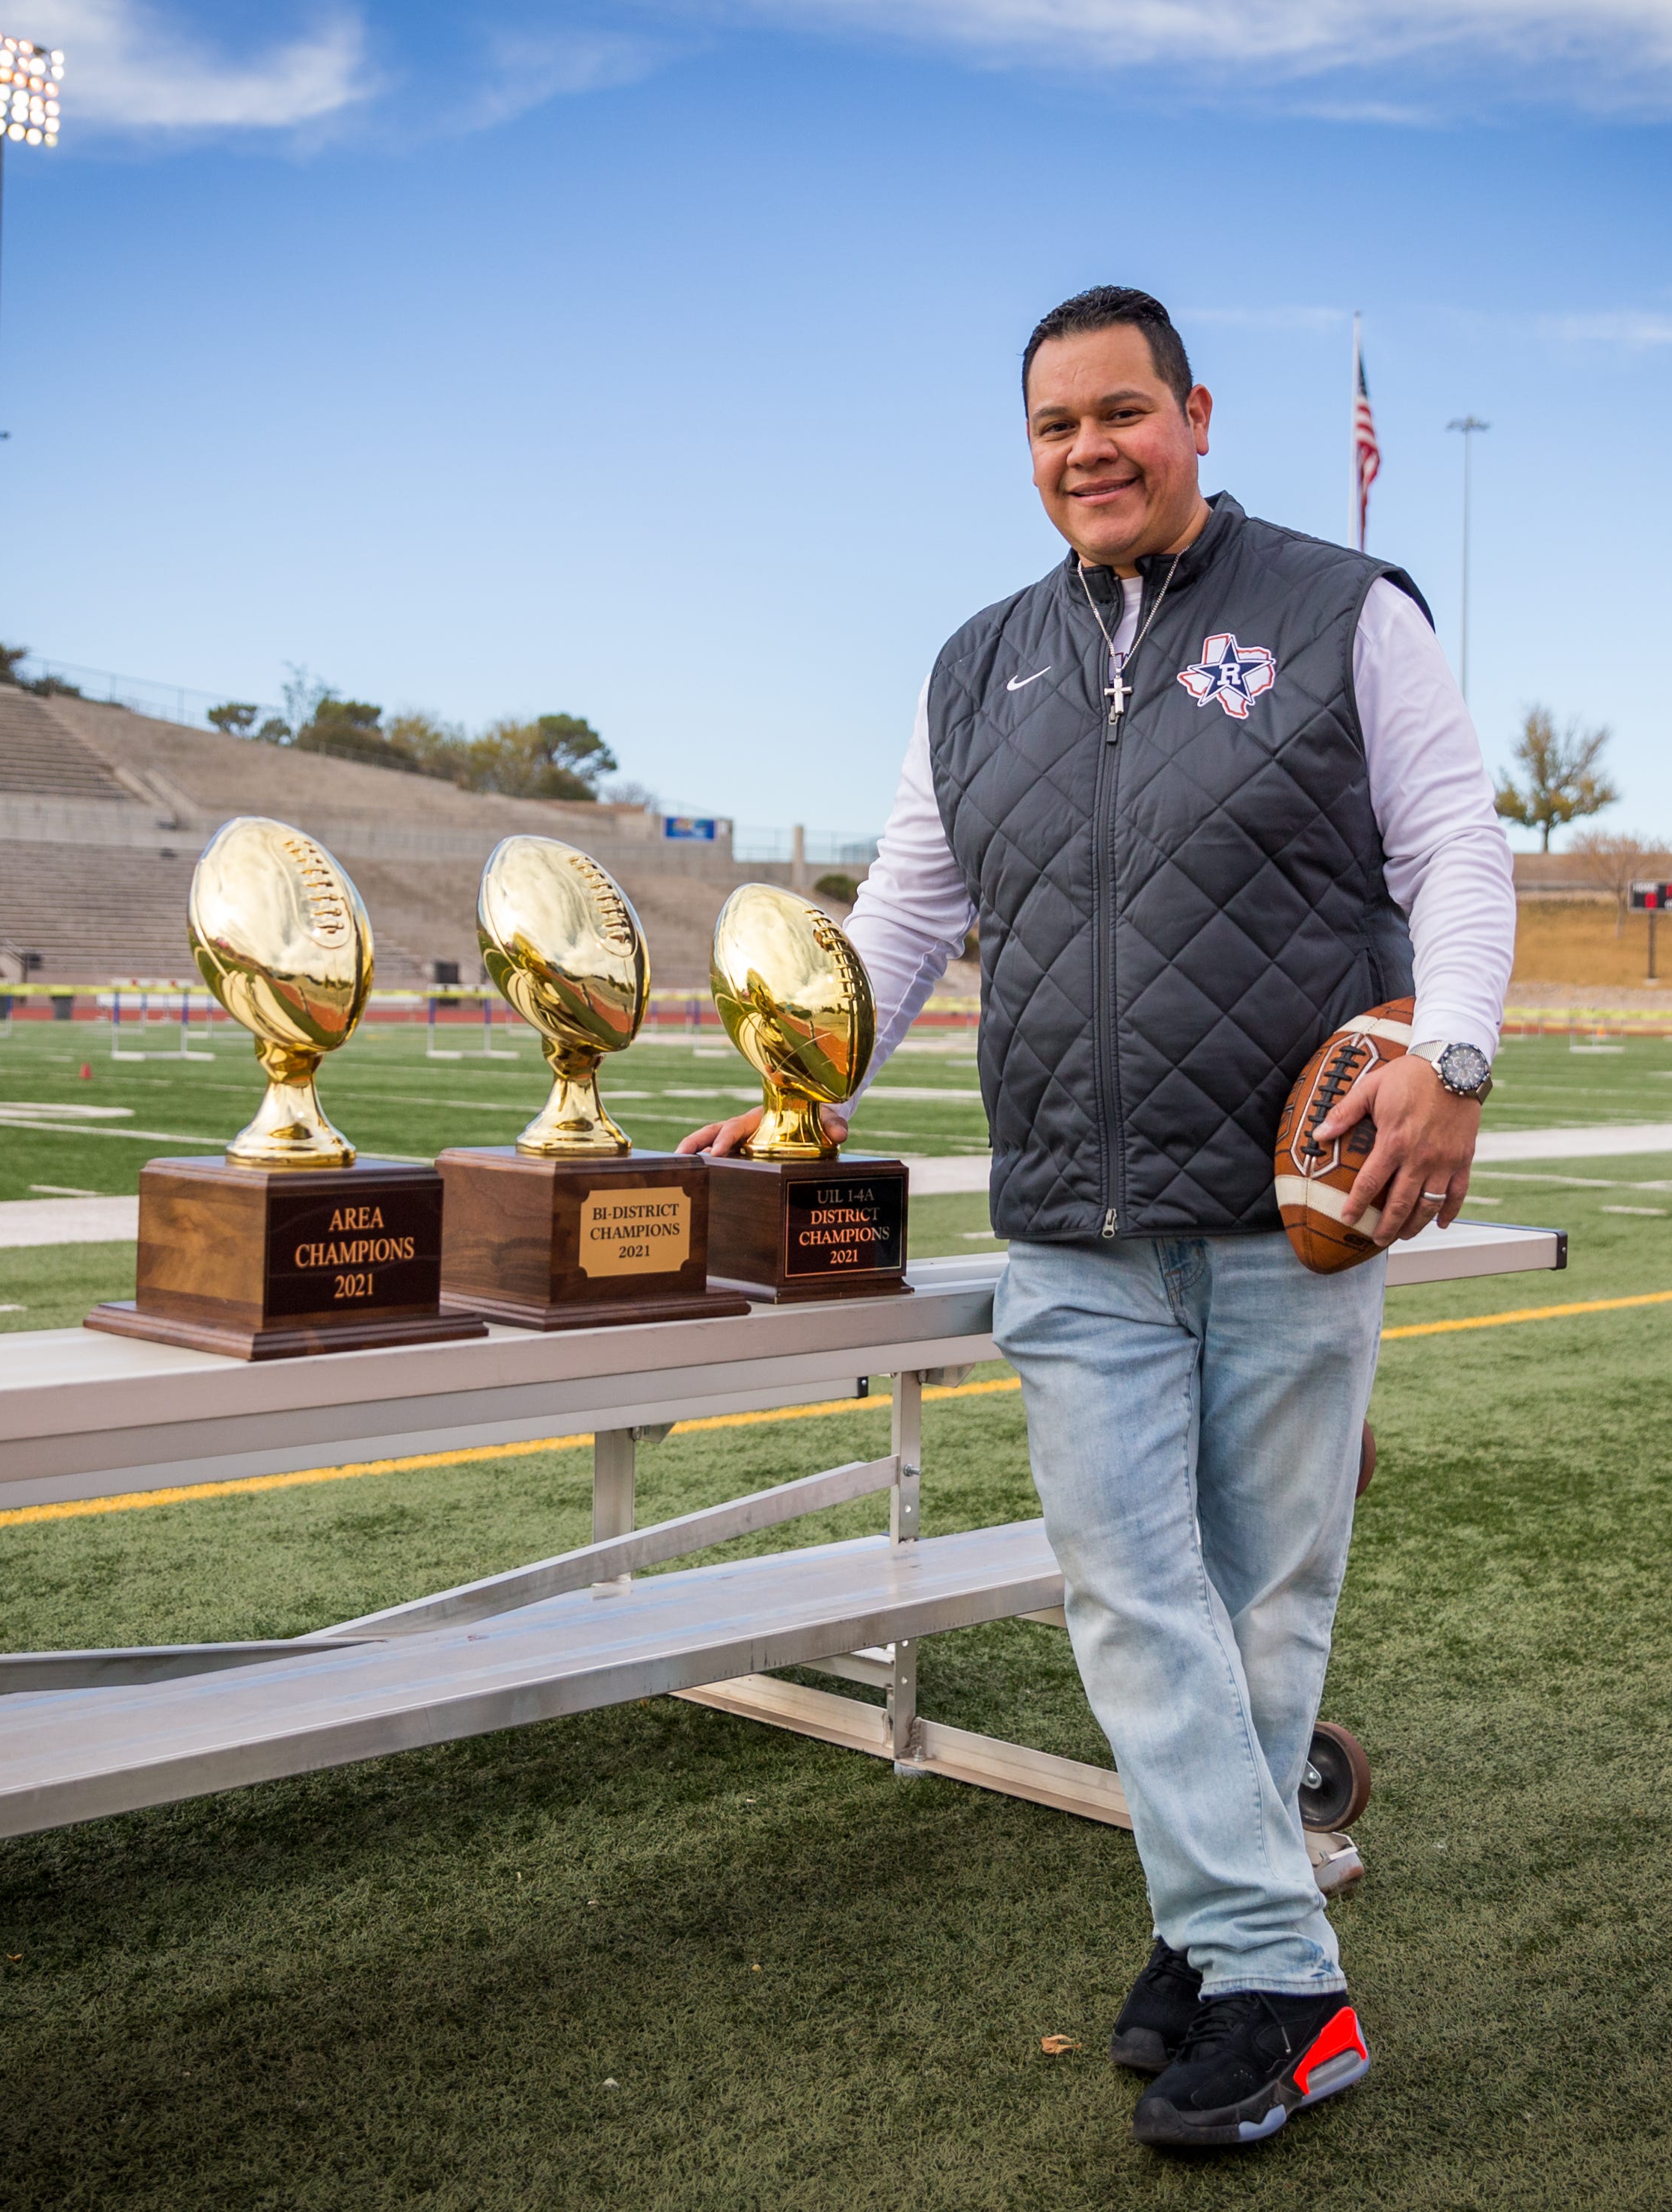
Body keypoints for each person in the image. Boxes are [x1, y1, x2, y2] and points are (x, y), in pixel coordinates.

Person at [680, 284, 1513, 2151]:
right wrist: (809, 1084)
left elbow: (1454, 843)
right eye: (1056, 427)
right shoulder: (976, 665)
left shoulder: (1345, 610)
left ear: (1197, 416)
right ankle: (1279, 1972)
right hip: (1071, 1208)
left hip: (1290, 1202)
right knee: (1132, 1588)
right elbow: (905, 915)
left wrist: (1451, 1056)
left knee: (1258, 1592)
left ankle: (1221, 1944)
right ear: (1030, 449)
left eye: (1122, 413)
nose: (1089, 451)